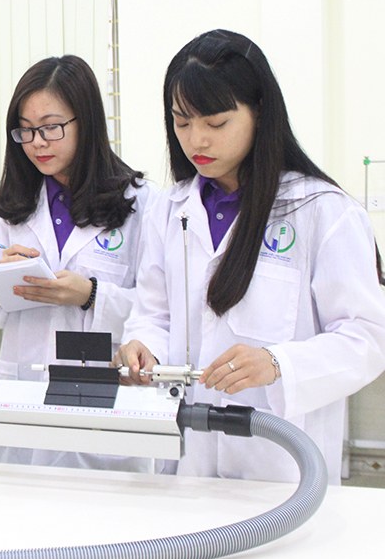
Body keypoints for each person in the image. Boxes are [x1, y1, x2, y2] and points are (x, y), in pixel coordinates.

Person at [115, 29, 385, 483]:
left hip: (283, 468)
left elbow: (368, 338)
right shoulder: (170, 209)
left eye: (216, 123)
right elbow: (153, 314)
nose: (196, 140)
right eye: (182, 122)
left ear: (259, 113)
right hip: (191, 462)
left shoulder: (322, 211)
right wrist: (143, 347)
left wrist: (279, 364)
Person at [0, 55, 156, 470]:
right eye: (25, 130)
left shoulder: (140, 203)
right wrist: (3, 275)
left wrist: (90, 295)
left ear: (85, 122)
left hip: (104, 392)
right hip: (25, 389)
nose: (37, 142)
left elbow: (157, 311)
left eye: (50, 127)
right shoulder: (14, 206)